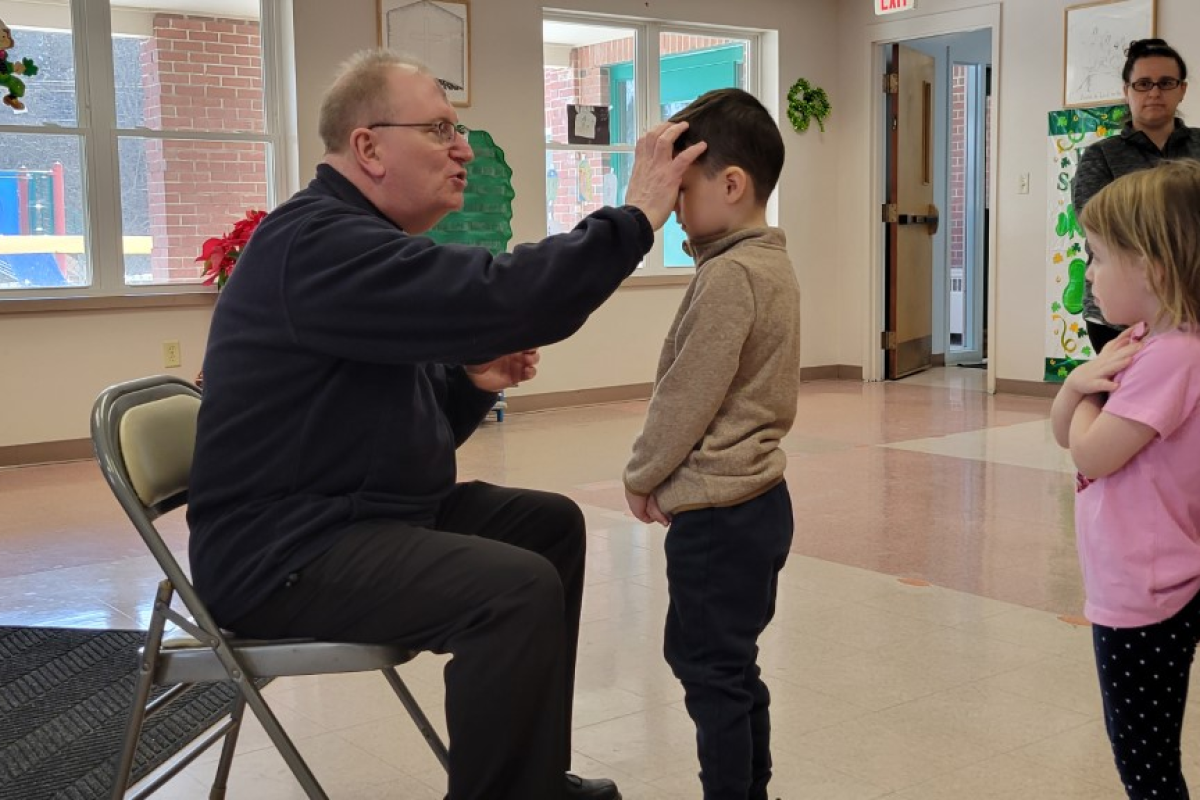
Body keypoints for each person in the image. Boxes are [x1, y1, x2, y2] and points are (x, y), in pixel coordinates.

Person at [187, 49, 705, 800]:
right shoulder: (318, 244)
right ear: (367, 147)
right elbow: (506, 295)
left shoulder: (360, 244)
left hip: (346, 513)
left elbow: (396, 438)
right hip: (280, 551)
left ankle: (532, 782)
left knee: (548, 527)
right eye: (438, 129)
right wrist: (634, 217)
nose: (463, 149)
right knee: (513, 588)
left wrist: (465, 383)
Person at [622, 88, 800, 800]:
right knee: (731, 662)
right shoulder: (768, 263)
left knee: (707, 667)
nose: (671, 208)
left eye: (682, 190)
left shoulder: (729, 276)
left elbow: (687, 395)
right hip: (761, 504)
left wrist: (643, 475)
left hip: (720, 514)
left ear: (732, 185)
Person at [1050, 159, 1200, 799]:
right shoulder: (1144, 339)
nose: (1090, 272)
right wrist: (1083, 387)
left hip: (1147, 591)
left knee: (1145, 764)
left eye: (1101, 257)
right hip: (1147, 576)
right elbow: (1068, 433)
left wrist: (1083, 389)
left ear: (1154, 269)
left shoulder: (1173, 355)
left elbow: (1091, 454)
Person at [1072, 38, 1200, 353]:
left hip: (1192, 305)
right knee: (1122, 399)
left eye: (1166, 83)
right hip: (1118, 316)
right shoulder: (1100, 156)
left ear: (1182, 89)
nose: (1154, 92)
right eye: (1143, 84)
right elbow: (1104, 231)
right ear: (1126, 90)